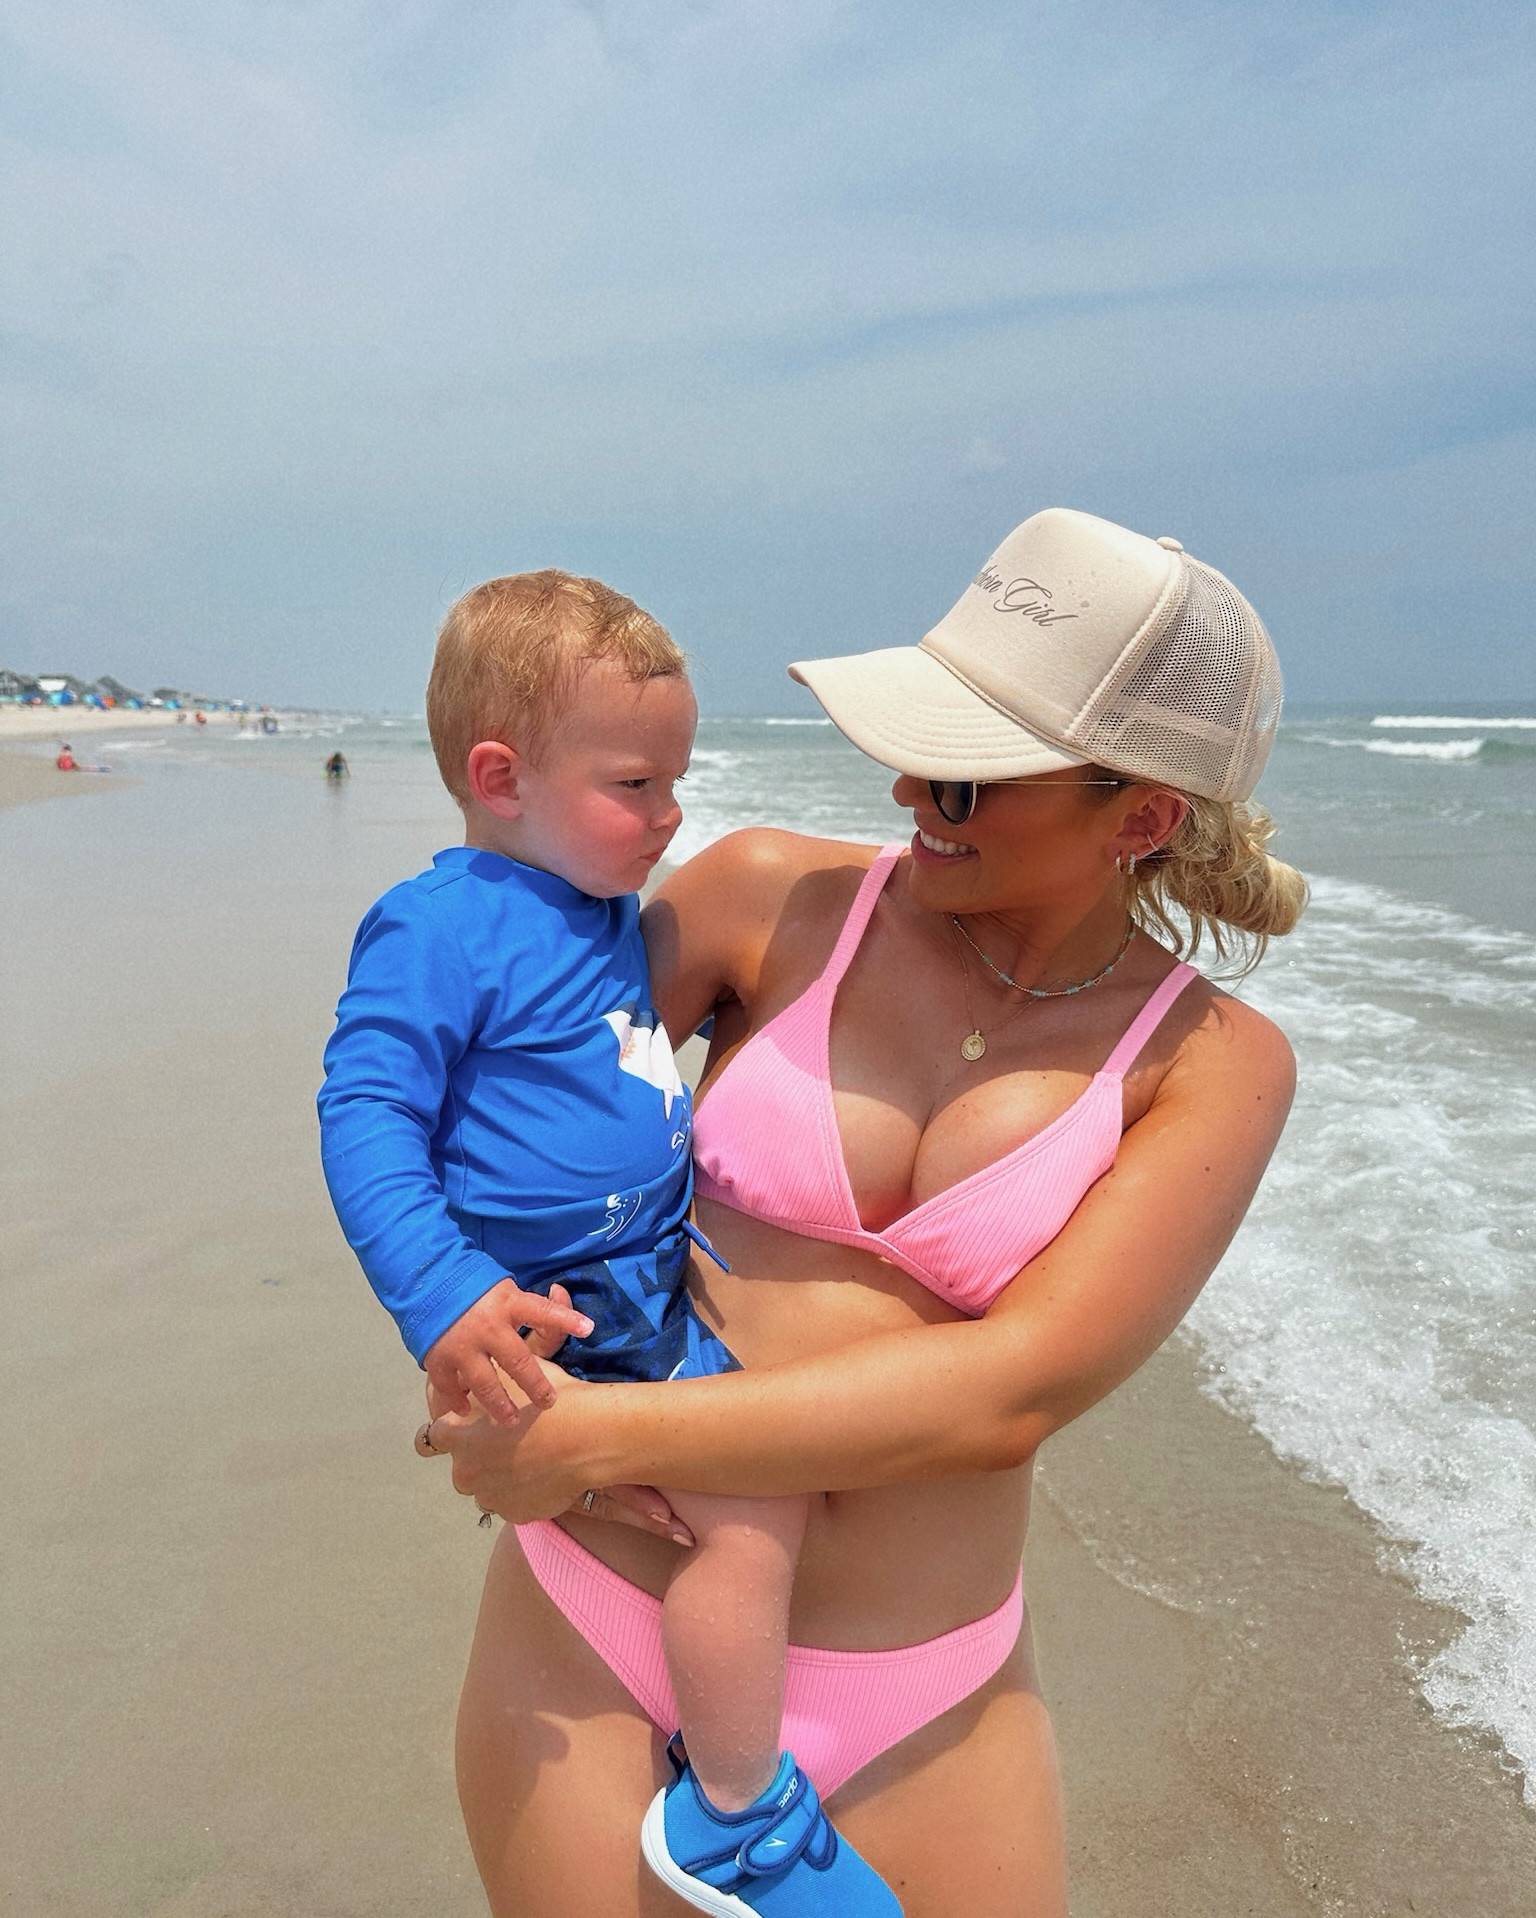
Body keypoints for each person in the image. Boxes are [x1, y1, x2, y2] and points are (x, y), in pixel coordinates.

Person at [419, 508, 1308, 1918]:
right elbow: (488, 1122)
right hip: (603, 1614)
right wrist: (478, 1359)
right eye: (914, 752)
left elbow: (1006, 1390)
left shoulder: (1214, 1065)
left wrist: (596, 1432)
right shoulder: (769, 900)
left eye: (966, 781)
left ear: (1138, 815)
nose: (908, 793)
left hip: (925, 1687)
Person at [318, 571, 902, 1916]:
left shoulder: (606, 919)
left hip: (644, 1301)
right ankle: (739, 1813)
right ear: (499, 773)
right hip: (560, 1316)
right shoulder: (442, 923)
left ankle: (714, 1719)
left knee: (735, 1494)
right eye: (637, 784)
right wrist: (445, 1296)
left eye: (678, 780)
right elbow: (365, 1115)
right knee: (755, 1514)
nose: (671, 813)